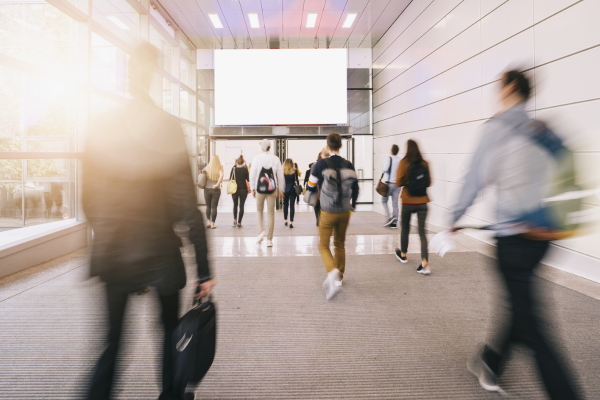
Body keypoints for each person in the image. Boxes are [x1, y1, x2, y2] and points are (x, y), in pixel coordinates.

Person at [82, 43, 215, 400]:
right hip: (159, 253)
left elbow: (89, 200)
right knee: (171, 333)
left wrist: (112, 233)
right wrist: (204, 271)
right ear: (154, 77)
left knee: (111, 343)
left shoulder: (101, 125)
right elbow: (187, 207)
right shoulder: (167, 127)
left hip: (112, 252)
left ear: (127, 76)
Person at [450, 70, 581, 399]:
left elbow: (474, 178)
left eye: (499, 86)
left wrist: (453, 217)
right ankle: (491, 360)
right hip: (545, 236)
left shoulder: (497, 128)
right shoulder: (540, 128)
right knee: (519, 302)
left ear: (509, 88)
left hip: (513, 238)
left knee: (533, 326)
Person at [307, 133, 359, 300]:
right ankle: (340, 278)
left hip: (327, 211)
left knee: (323, 245)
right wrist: (352, 206)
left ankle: (332, 271)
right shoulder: (348, 164)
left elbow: (311, 184)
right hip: (344, 211)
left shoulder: (320, 164)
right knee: (339, 244)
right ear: (341, 146)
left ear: (327, 147)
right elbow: (356, 188)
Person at [394, 140, 432, 275]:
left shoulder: (404, 163)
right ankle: (425, 264)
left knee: (405, 228)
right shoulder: (425, 164)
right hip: (422, 202)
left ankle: (403, 254)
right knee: (422, 233)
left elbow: (398, 182)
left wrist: (408, 181)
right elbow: (429, 182)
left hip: (408, 202)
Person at [249, 139, 285, 247]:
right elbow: (280, 176)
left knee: (259, 210)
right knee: (271, 213)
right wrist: (280, 189)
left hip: (260, 189)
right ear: (270, 147)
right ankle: (269, 240)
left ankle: (260, 232)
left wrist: (253, 188)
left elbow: (252, 174)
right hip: (272, 189)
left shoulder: (257, 158)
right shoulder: (276, 159)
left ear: (262, 148)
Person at [381, 144, 402, 228]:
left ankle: (389, 217)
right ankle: (394, 222)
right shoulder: (400, 160)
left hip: (389, 184)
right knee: (395, 203)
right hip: (397, 184)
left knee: (384, 201)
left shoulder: (389, 158)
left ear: (391, 151)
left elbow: (384, 169)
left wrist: (382, 168)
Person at [203, 155, 223, 229]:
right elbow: (221, 175)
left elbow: (200, 177)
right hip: (216, 190)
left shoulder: (207, 168)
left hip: (207, 190)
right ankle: (213, 224)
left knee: (208, 206)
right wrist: (217, 184)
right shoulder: (220, 168)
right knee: (214, 207)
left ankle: (208, 222)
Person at [230, 155, 249, 227]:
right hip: (243, 190)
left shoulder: (233, 169)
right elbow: (248, 179)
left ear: (237, 162)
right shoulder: (245, 169)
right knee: (241, 206)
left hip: (234, 189)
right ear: (243, 162)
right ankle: (239, 222)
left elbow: (230, 178)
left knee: (235, 205)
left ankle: (235, 219)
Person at [283, 158, 299, 228]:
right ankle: (291, 222)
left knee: (285, 205)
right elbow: (297, 181)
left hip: (285, 190)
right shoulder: (295, 171)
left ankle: (285, 220)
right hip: (293, 190)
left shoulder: (283, 172)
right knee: (292, 206)